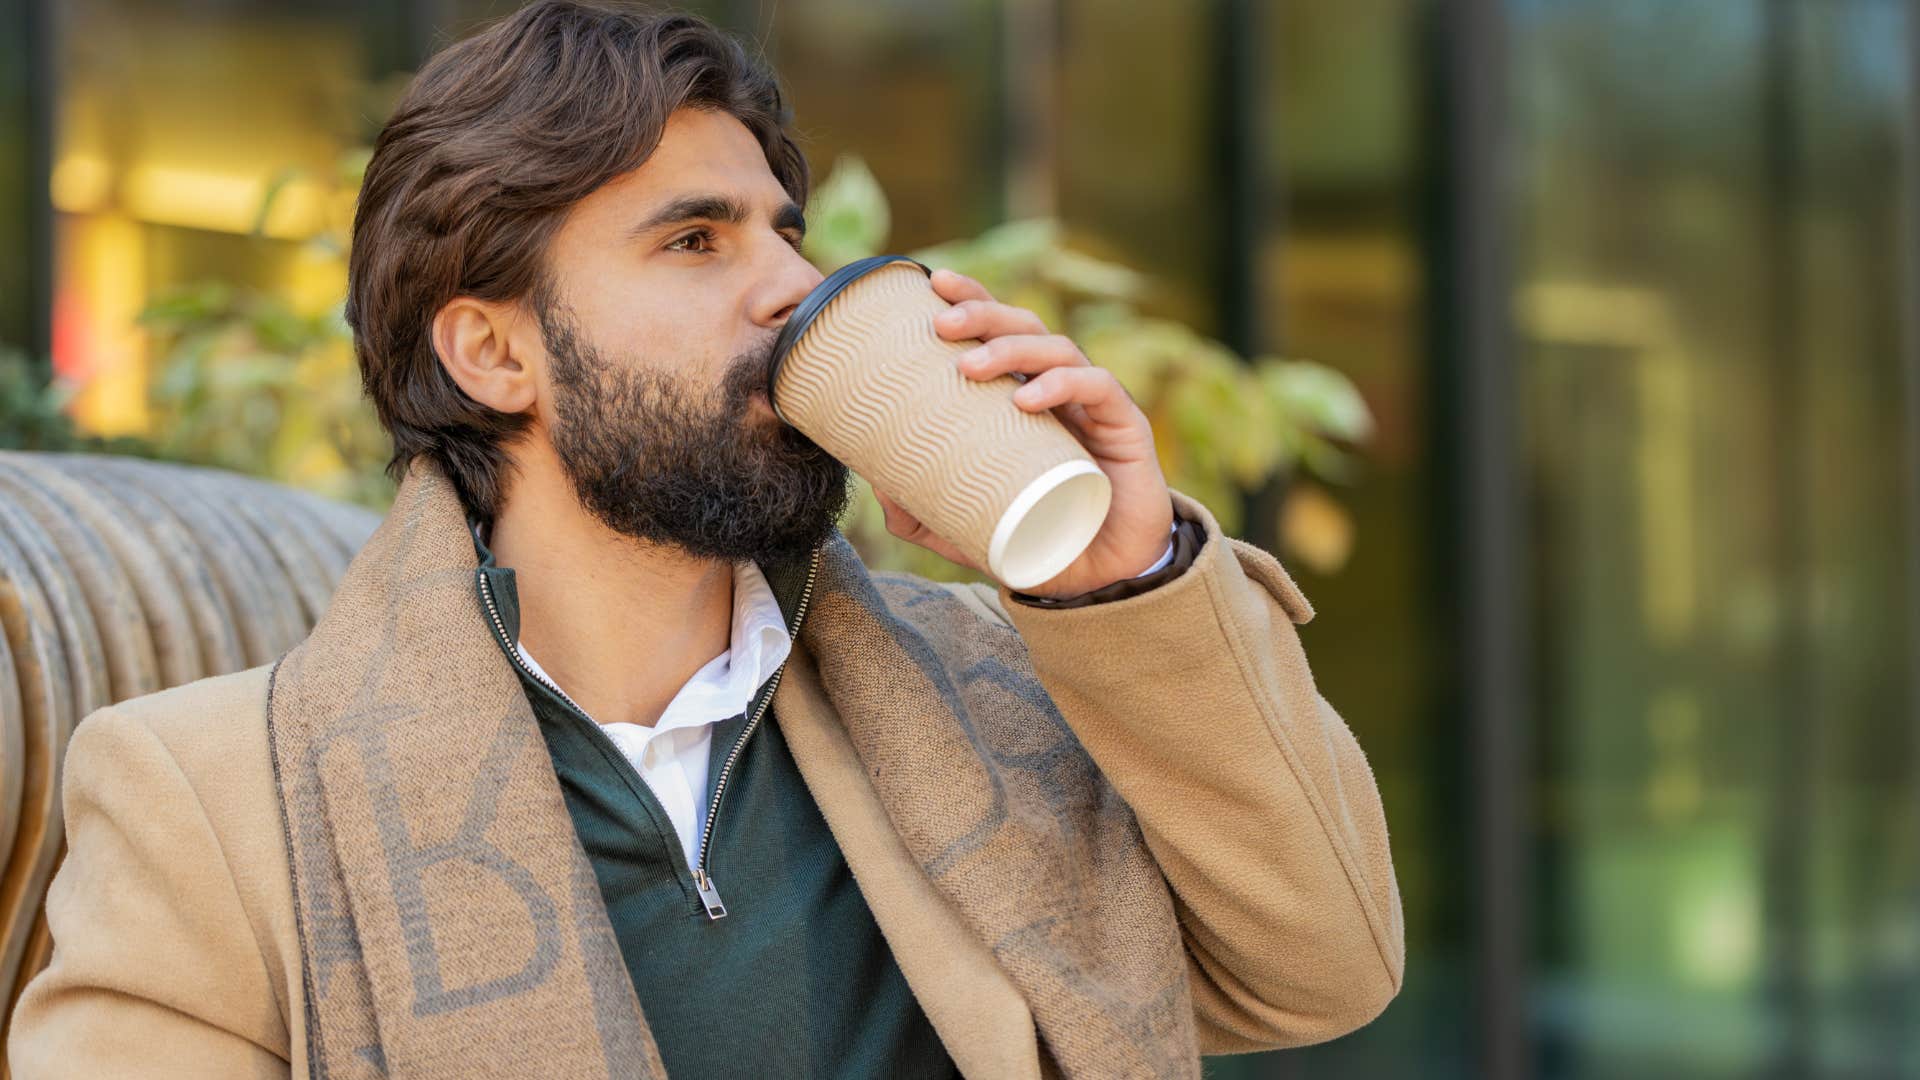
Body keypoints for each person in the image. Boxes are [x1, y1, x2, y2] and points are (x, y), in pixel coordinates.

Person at [8, 2, 1403, 1077]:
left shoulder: (1002, 693)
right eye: (695, 241)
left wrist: (1124, 586)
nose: (794, 290)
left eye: (785, 237)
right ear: (494, 352)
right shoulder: (210, 801)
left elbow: (1321, 970)